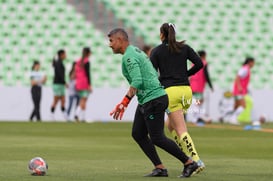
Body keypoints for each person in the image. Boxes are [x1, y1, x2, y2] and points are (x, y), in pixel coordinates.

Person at [108, 28, 198, 178]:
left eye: (111, 41)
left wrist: (124, 102)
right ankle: (160, 168)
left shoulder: (128, 57)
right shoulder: (135, 51)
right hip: (148, 99)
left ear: (120, 40)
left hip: (153, 99)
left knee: (157, 137)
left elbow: (137, 80)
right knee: (138, 133)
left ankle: (189, 162)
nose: (109, 45)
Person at [150, 23, 205, 172]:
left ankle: (195, 161)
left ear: (162, 34)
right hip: (186, 91)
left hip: (171, 92)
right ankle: (187, 156)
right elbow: (199, 64)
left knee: (180, 129)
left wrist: (160, 82)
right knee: (171, 126)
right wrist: (186, 74)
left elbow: (151, 73)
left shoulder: (157, 51)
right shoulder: (184, 48)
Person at [188, 50, 213, 125]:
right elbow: (206, 74)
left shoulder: (193, 63)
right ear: (203, 56)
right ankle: (195, 118)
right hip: (199, 85)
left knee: (197, 101)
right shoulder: (204, 63)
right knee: (198, 102)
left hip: (192, 84)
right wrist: (210, 85)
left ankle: (197, 117)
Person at [230, 57, 255, 125]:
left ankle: (231, 118)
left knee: (237, 105)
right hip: (239, 91)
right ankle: (233, 118)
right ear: (250, 62)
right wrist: (239, 87)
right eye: (253, 63)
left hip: (237, 90)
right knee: (243, 105)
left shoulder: (245, 68)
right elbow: (238, 77)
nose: (253, 64)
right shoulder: (245, 69)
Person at [74, 47, 92, 122]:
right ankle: (76, 114)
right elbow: (88, 74)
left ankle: (83, 118)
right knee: (84, 100)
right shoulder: (86, 61)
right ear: (88, 53)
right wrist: (89, 85)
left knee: (83, 99)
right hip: (84, 83)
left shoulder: (78, 61)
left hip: (78, 82)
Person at [50, 49, 67, 120]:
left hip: (60, 84)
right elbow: (59, 74)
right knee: (56, 100)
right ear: (61, 55)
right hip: (57, 84)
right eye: (65, 54)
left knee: (63, 100)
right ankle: (51, 115)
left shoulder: (60, 63)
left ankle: (64, 115)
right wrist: (64, 82)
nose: (66, 55)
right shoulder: (58, 63)